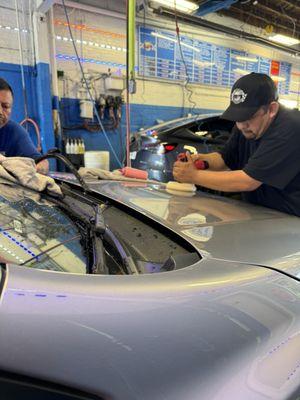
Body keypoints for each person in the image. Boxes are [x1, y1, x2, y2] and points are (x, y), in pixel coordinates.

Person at [173, 72, 300, 217]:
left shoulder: (291, 127)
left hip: (291, 221)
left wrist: (193, 176)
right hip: (259, 212)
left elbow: (248, 181)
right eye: (237, 118)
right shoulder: (245, 126)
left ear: (271, 109)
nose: (241, 126)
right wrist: (200, 160)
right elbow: (224, 159)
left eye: (248, 117)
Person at [0, 77, 49, 174]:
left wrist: (28, 171)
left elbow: (42, 163)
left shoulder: (14, 132)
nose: (0, 112)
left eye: (5, 106)